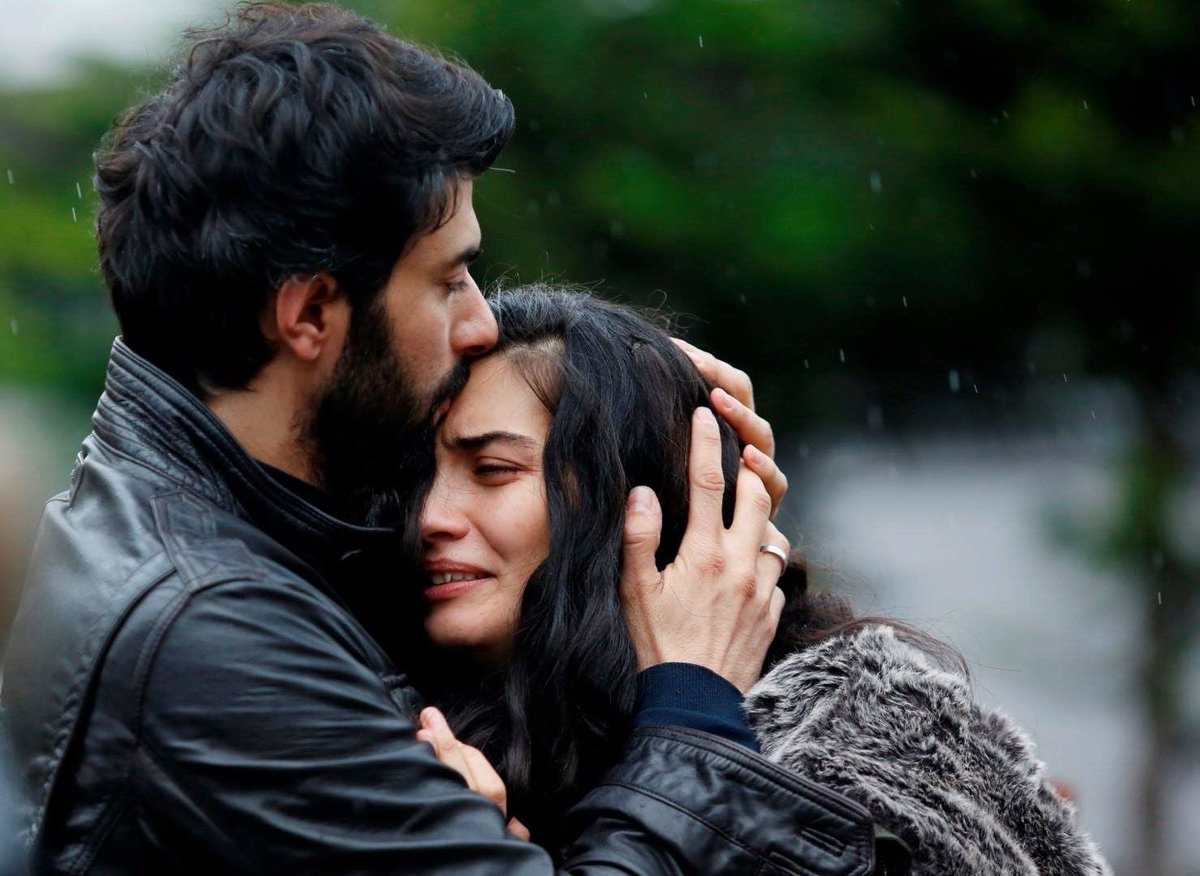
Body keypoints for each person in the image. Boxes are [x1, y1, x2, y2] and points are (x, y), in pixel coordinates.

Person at [0, 4, 881, 874]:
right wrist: (690, 705)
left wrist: (634, 415)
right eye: (450, 279)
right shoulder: (220, 638)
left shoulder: (181, 506)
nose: (480, 323)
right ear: (309, 314)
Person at [411, 284, 1113, 875]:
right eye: (410, 479)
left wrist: (691, 717)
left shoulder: (871, 747)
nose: (428, 517)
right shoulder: (404, 733)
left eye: (493, 469)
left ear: (636, 496)